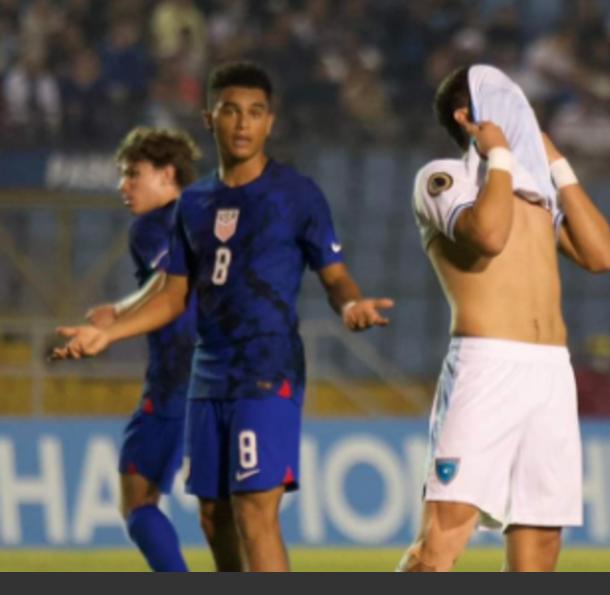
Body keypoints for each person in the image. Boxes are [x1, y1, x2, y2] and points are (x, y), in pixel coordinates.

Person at [52, 61, 393, 572]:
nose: (242, 123)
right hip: (207, 377)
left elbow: (335, 276)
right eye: (231, 111)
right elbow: (171, 295)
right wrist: (109, 333)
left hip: (268, 370)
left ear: (269, 122)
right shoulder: (193, 203)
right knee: (213, 515)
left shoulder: (297, 194)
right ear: (210, 118)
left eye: (255, 113)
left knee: (256, 511)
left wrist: (350, 304)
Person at [399, 64, 610, 572]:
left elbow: (601, 255)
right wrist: (497, 151)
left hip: (550, 375)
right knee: (440, 543)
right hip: (487, 368)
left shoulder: (535, 193)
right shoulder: (444, 177)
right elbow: (490, 235)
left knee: (539, 547)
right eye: (503, 98)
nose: (520, 106)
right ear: (468, 116)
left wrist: (555, 161)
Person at [81, 126, 200, 571]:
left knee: (137, 496)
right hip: (238, 370)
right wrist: (122, 306)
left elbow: (173, 287)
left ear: (168, 175)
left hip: (177, 374)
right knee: (235, 510)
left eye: (133, 174)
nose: (122, 186)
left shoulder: (153, 226)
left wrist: (115, 321)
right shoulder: (212, 215)